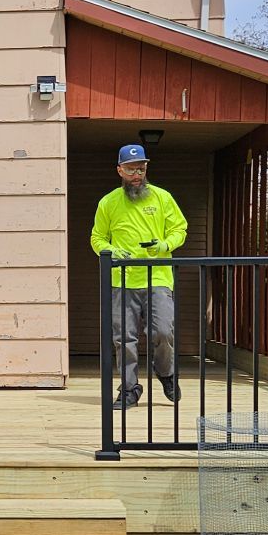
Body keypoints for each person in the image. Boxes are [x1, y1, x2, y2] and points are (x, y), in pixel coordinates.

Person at [90, 144, 188, 409]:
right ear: (119, 170)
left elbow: (180, 228)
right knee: (124, 338)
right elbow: (97, 238)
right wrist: (110, 250)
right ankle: (130, 388)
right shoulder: (108, 202)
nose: (137, 174)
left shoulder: (162, 197)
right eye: (131, 169)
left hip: (157, 276)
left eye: (141, 168)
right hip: (122, 279)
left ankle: (166, 372)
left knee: (163, 331)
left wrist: (165, 245)